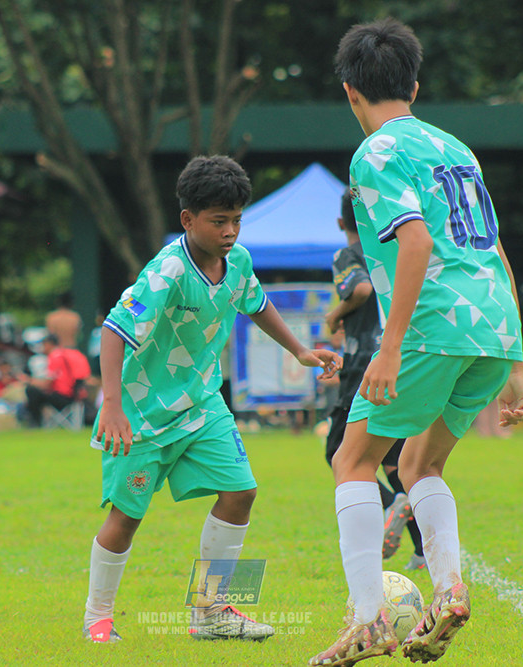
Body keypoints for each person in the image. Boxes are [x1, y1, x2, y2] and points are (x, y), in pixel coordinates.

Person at [311, 20, 523, 665]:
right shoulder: (456, 147)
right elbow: (492, 251)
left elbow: (416, 242)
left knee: (351, 462)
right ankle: (450, 590)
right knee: (418, 465)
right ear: (414, 83)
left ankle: (368, 620)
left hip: (433, 330)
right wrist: (514, 359)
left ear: (351, 93)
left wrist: (390, 344)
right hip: (492, 329)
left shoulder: (374, 153)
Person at [82, 155, 341, 644]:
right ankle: (97, 616)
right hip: (140, 416)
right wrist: (112, 405)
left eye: (237, 220)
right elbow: (114, 330)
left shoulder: (238, 261)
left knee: (242, 492)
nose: (230, 231)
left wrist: (301, 350)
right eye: (219, 221)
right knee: (126, 518)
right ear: (188, 219)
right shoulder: (166, 271)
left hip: (202, 405)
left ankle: (212, 611)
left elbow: (257, 304)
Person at [324, 188, 424, 571]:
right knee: (397, 458)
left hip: (364, 364)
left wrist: (335, 315)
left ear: (339, 223)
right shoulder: (391, 252)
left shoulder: (347, 255)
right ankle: (422, 550)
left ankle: (387, 508)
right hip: (399, 359)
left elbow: (360, 289)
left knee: (339, 452)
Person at [22, 334, 93, 428]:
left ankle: (36, 422)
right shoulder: (68, 354)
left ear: (49, 344)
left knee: (31, 391)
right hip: (74, 393)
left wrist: (29, 380)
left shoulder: (55, 356)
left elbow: (48, 383)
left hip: (62, 396)